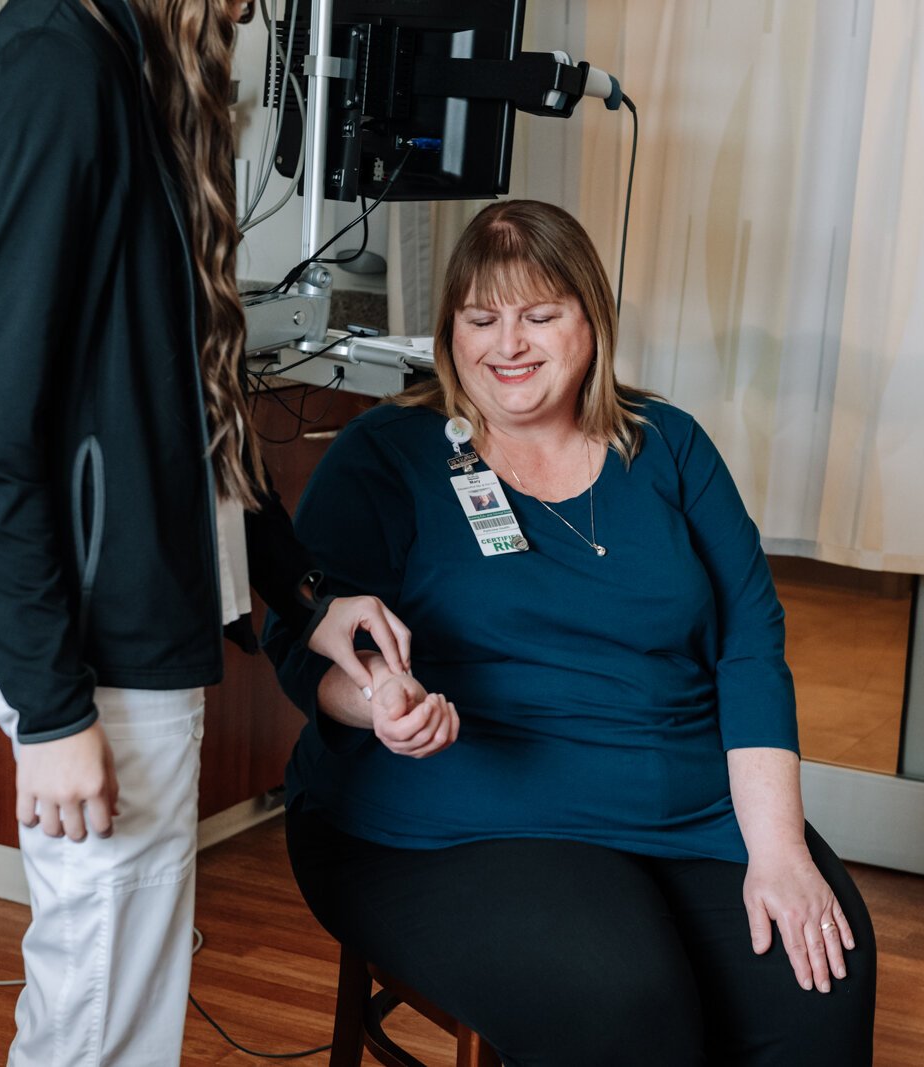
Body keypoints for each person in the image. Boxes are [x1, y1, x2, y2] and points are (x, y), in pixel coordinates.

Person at [0, 1, 430, 1063]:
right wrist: (50, 711)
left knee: (125, 985)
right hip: (90, 638)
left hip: (129, 614)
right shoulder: (59, 67)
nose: (250, 9)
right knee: (98, 1002)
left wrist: (306, 595)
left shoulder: (127, 68)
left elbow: (178, 411)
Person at [265, 200, 876, 1065]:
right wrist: (379, 699)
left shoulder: (668, 448)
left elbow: (749, 646)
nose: (506, 344)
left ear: (592, 319)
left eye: (539, 315)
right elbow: (302, 635)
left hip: (681, 805)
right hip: (460, 820)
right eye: (482, 318)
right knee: (624, 1001)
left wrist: (777, 850)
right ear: (451, 331)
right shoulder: (389, 455)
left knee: (823, 979)